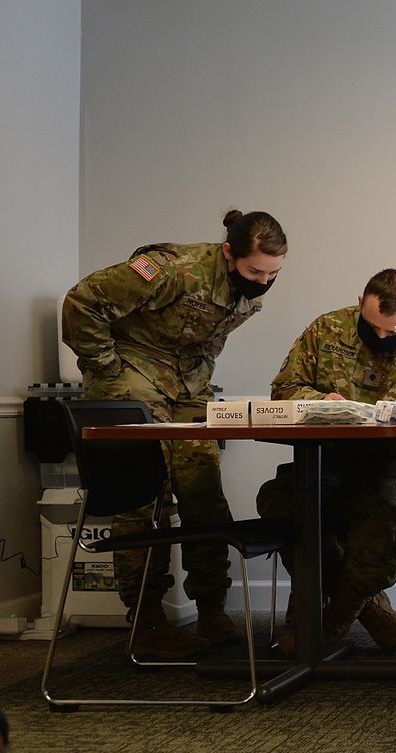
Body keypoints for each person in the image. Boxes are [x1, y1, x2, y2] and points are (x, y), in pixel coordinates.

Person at [62, 210, 287, 658]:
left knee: (205, 494)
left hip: (189, 387)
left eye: (272, 273)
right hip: (134, 378)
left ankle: (211, 611)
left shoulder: (249, 290)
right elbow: (81, 302)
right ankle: (146, 621)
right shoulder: (170, 269)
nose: (262, 282)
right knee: (142, 498)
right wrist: (107, 369)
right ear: (229, 253)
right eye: (254, 271)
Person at [256, 268, 396, 654]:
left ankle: (333, 623)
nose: (381, 338)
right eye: (372, 327)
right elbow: (282, 388)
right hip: (334, 455)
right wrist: (323, 401)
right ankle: (368, 608)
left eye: (392, 333)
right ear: (359, 304)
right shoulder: (327, 329)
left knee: (385, 509)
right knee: (282, 500)